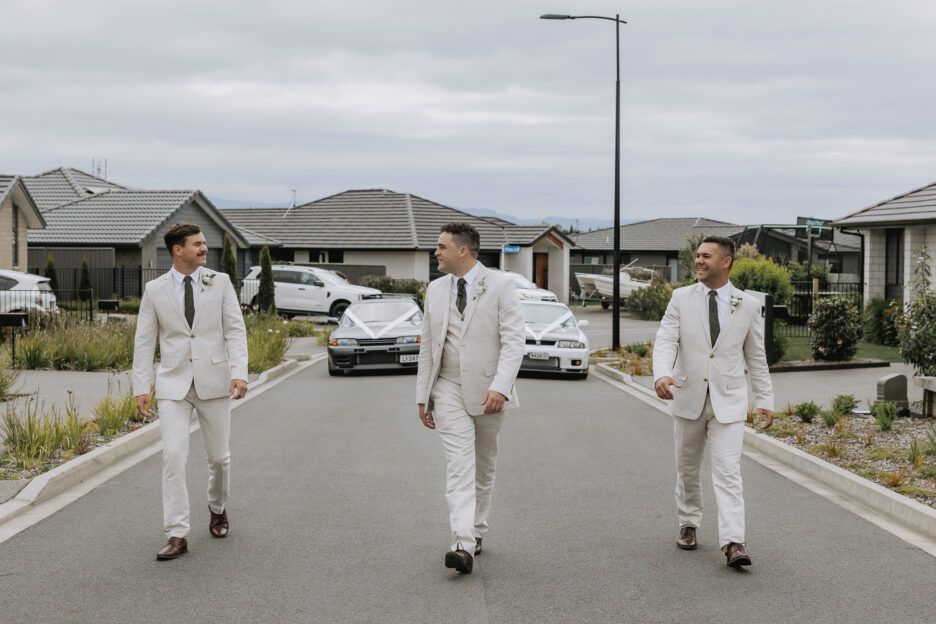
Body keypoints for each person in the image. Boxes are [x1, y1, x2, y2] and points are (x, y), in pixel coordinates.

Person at [652, 235, 774, 567]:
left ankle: (734, 541)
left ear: (726, 262)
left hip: (729, 402)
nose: (699, 261)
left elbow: (756, 357)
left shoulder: (747, 305)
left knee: (728, 471)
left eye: (707, 256)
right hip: (687, 395)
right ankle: (688, 524)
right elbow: (665, 339)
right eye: (698, 256)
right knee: (687, 469)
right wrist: (661, 374)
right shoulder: (680, 298)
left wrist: (764, 398)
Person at [132, 223, 248, 561]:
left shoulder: (220, 282)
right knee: (174, 456)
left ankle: (217, 507)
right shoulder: (154, 290)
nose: (204, 249)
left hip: (215, 381)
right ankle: (177, 533)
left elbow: (235, 330)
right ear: (177, 250)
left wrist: (239, 372)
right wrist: (141, 386)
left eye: (204, 244)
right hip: (173, 384)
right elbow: (143, 341)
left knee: (219, 459)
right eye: (196, 244)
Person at [416, 222, 525, 574]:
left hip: (490, 390)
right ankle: (461, 544)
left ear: (463, 250)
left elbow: (514, 342)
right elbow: (428, 348)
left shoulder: (501, 285)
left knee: (483, 465)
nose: (436, 253)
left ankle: (477, 531)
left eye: (441, 246)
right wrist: (423, 396)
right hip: (446, 387)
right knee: (459, 466)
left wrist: (501, 386)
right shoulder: (433, 290)